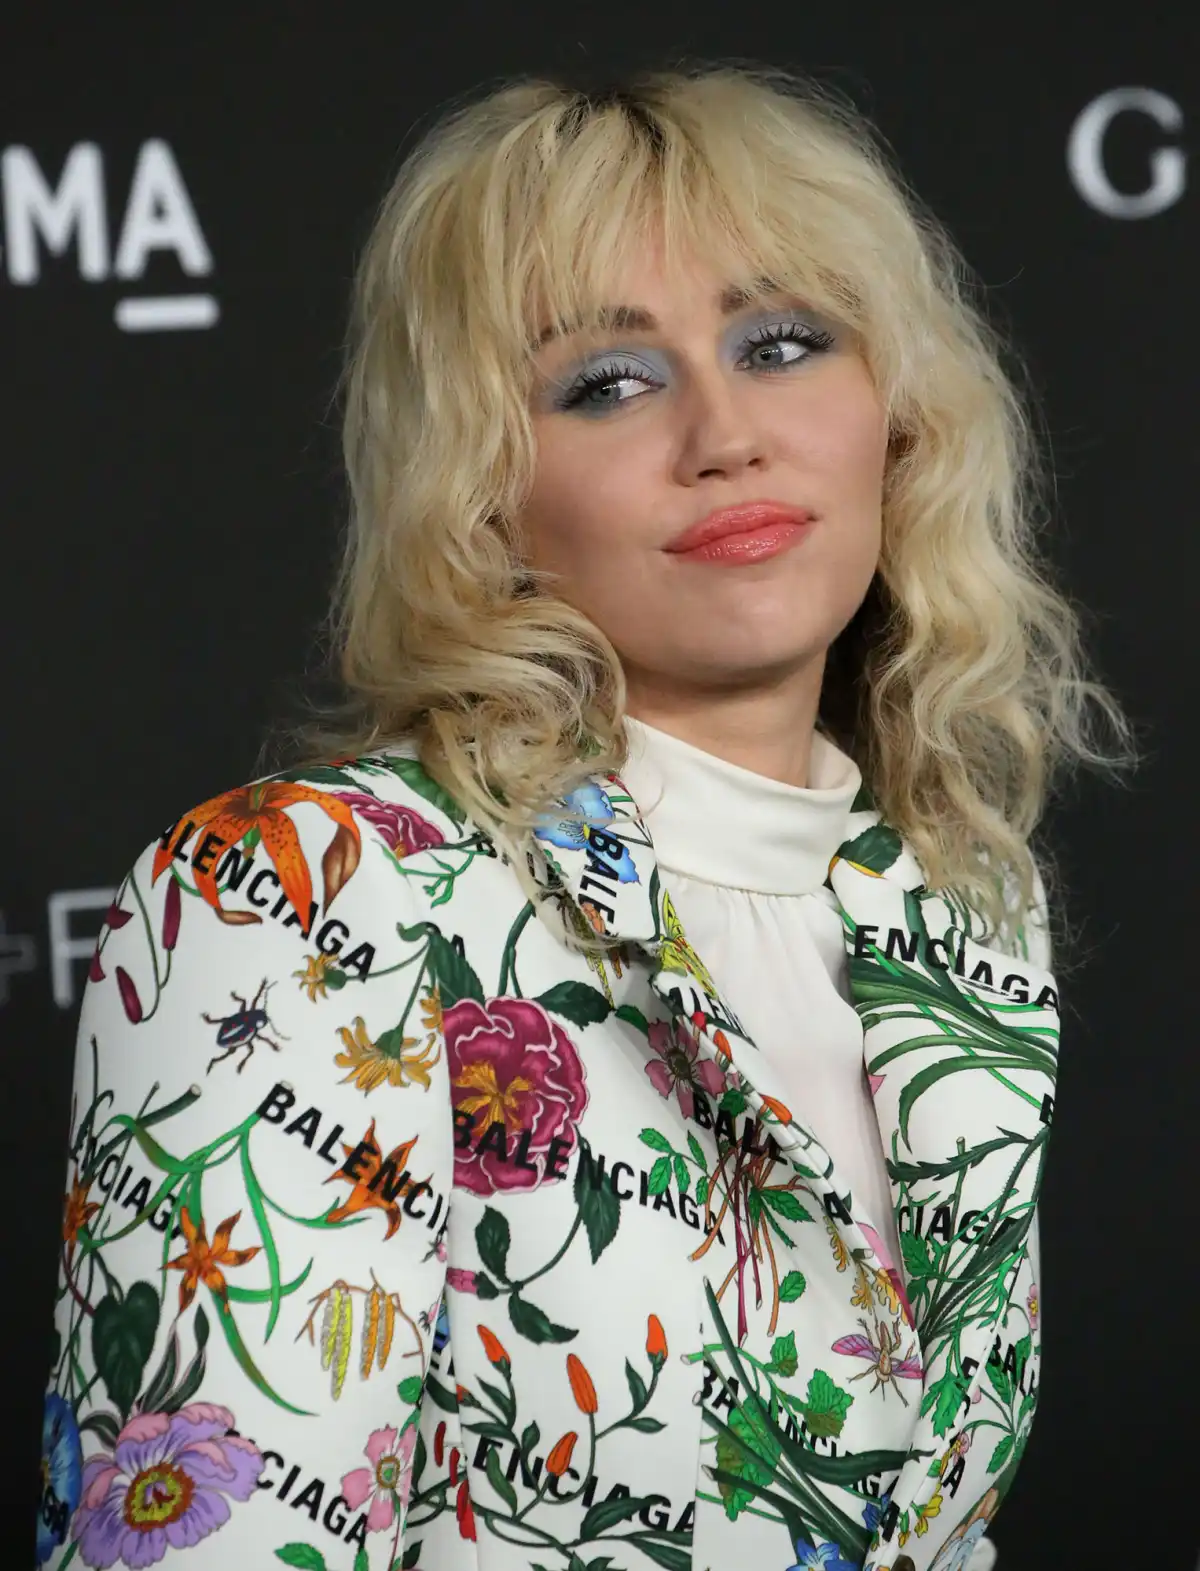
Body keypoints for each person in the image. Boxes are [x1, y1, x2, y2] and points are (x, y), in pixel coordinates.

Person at [36, 60, 1137, 1571]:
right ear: (483, 490)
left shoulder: (960, 910)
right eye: (608, 382)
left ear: (899, 419)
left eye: (783, 342)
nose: (724, 431)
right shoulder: (302, 894)